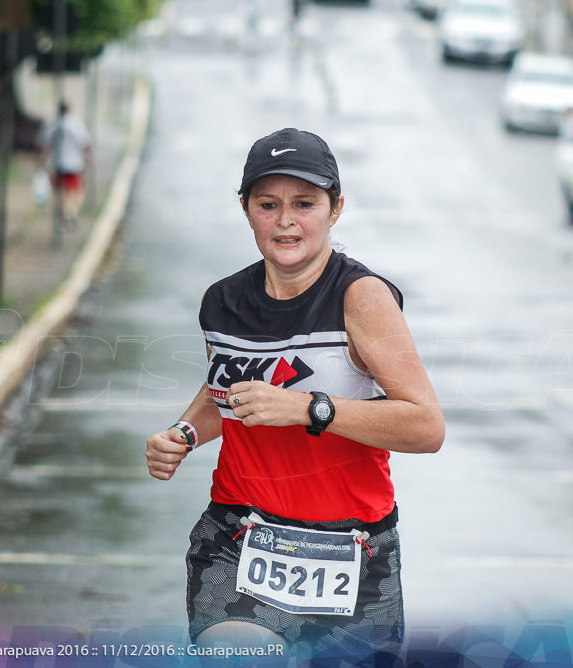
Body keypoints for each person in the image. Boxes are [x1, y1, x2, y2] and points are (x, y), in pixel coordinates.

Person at [145, 128, 445, 661]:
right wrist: (185, 433)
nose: (286, 221)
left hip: (352, 549)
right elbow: (228, 385)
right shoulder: (222, 301)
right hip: (242, 535)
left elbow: (425, 426)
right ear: (246, 209)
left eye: (304, 204)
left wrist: (312, 408)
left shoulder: (362, 298)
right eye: (268, 204)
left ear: (335, 209)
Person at [39, 100, 92, 227]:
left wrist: (41, 162)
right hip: (74, 164)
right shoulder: (76, 123)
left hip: (56, 163)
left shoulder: (51, 123)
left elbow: (45, 145)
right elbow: (86, 143)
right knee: (75, 192)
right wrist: (89, 160)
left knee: (60, 192)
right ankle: (69, 211)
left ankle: (64, 213)